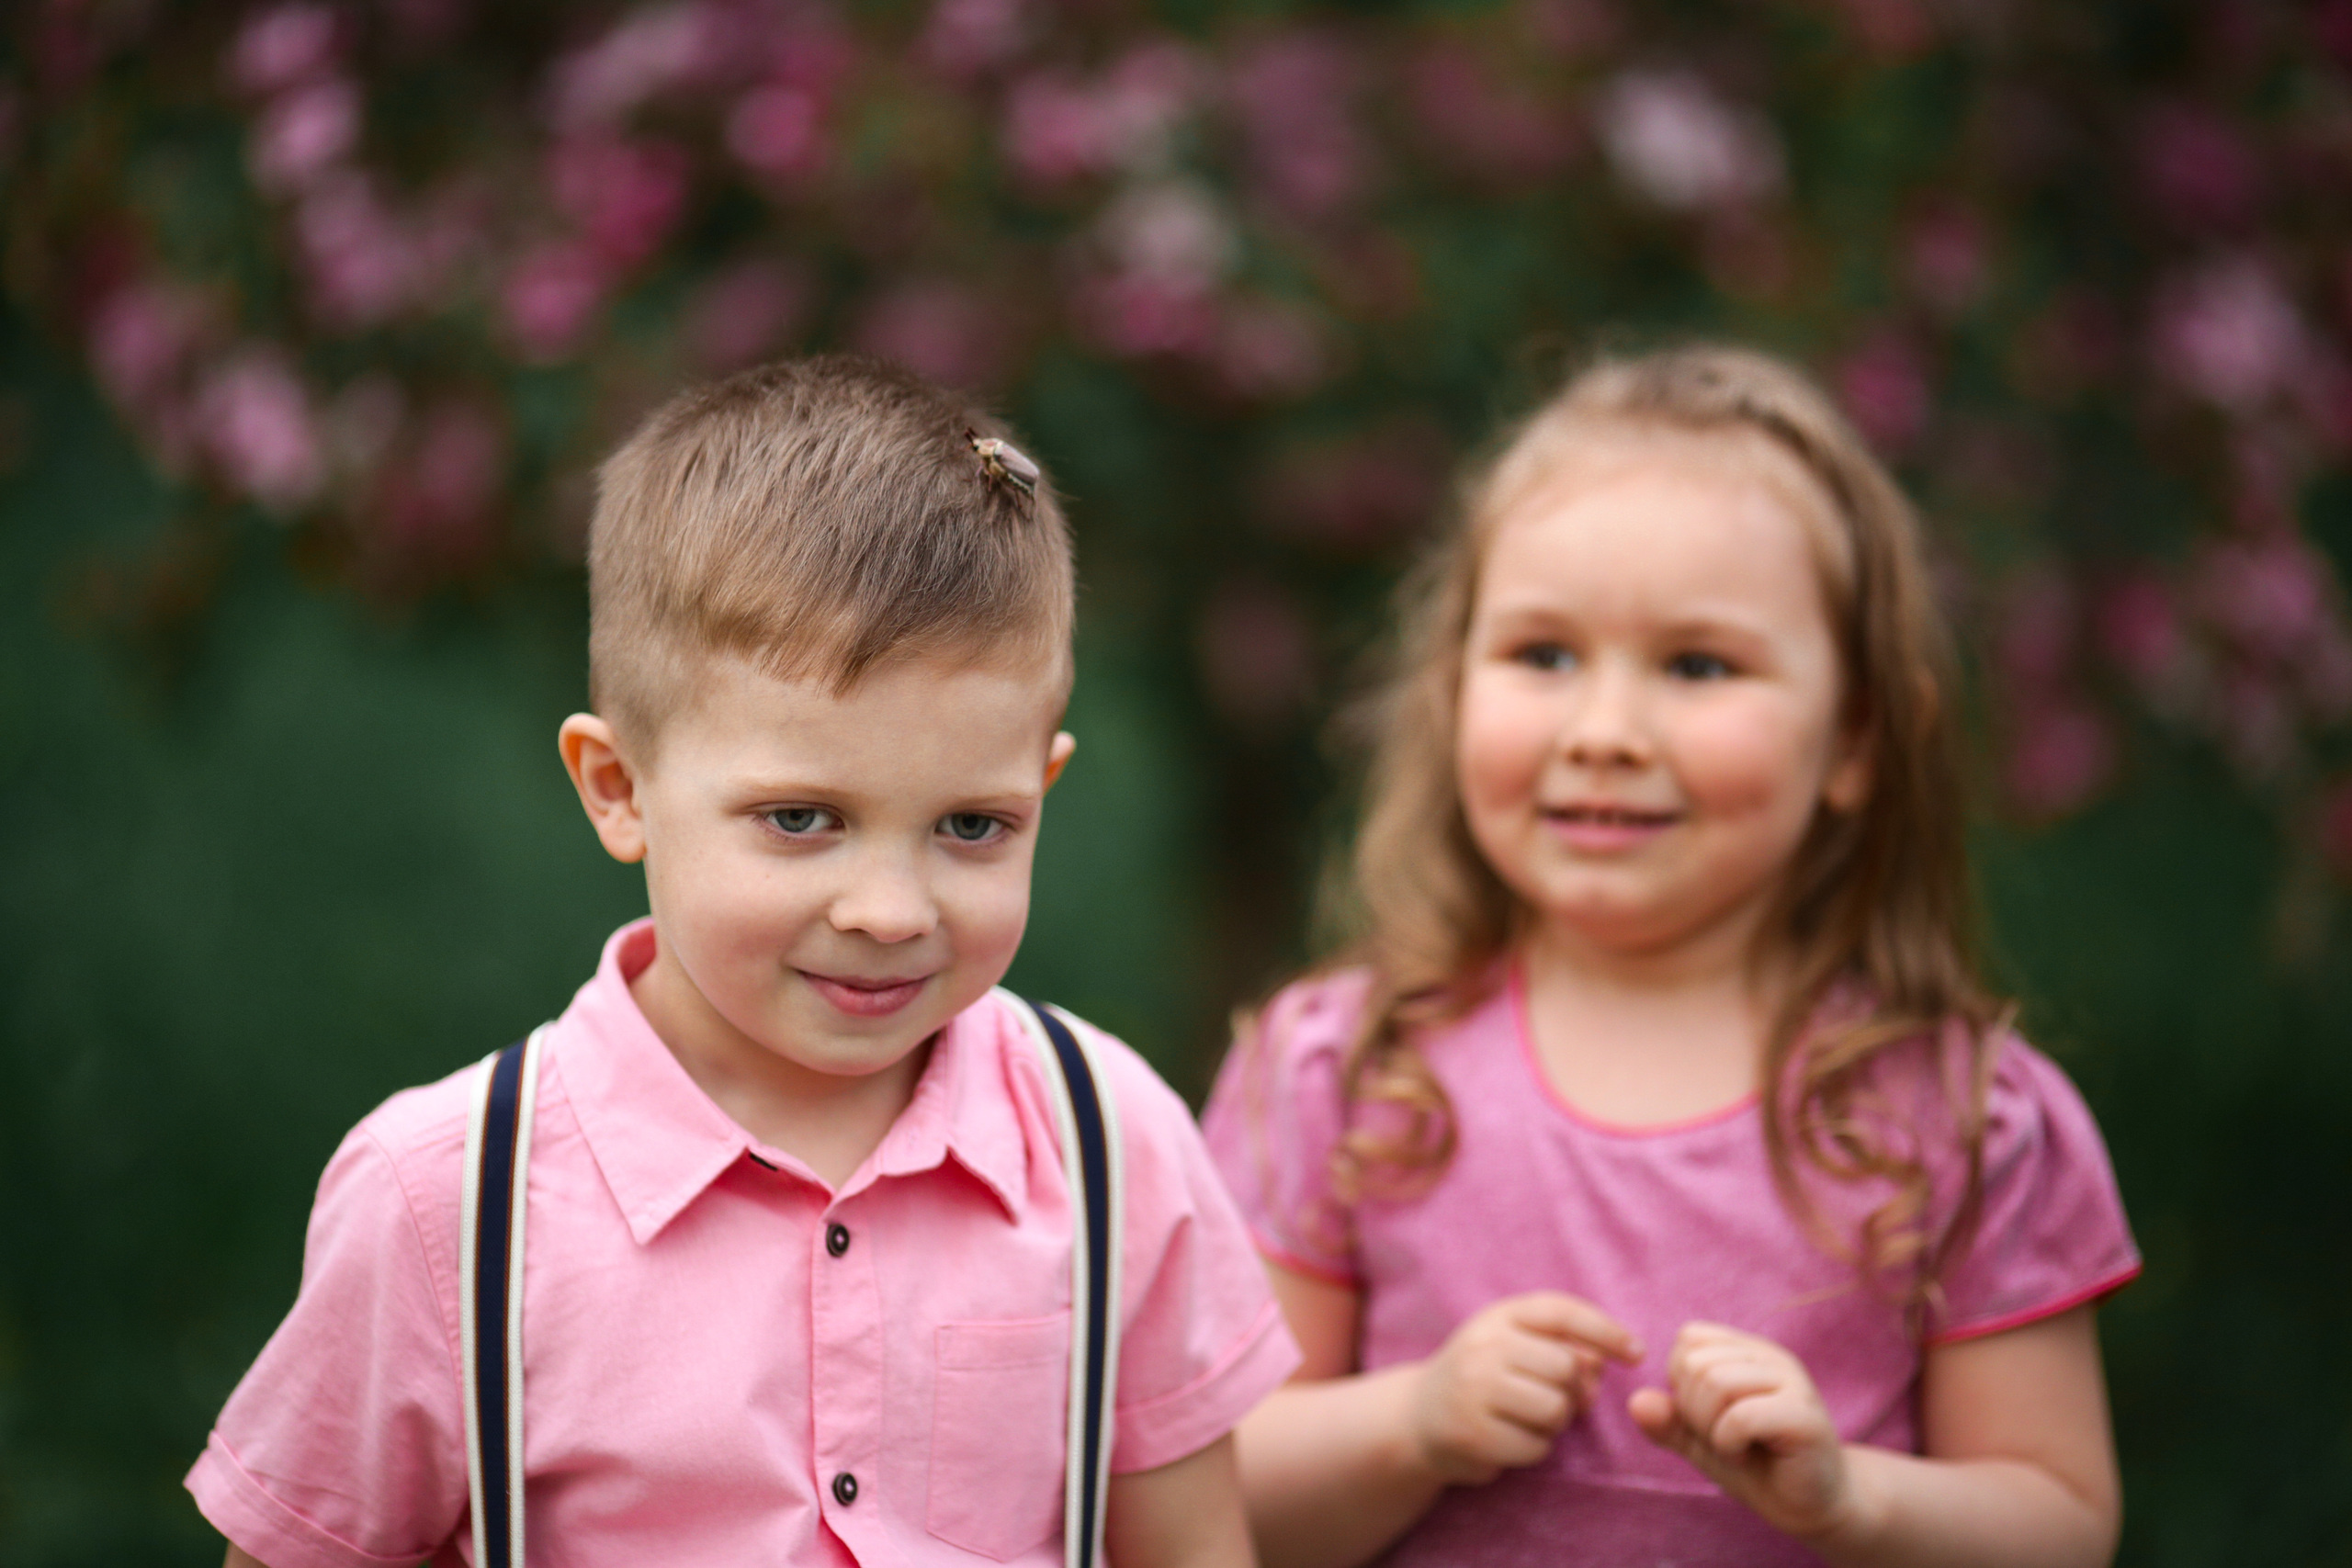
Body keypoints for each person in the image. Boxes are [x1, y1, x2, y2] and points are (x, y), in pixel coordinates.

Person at [189, 355, 1299, 1568]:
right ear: (620, 791)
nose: (888, 910)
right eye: (801, 819)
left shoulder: (1108, 1144)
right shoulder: (447, 1205)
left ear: (1044, 790)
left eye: (972, 827)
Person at [1202, 344, 2138, 1568]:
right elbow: (1201, 1507)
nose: (1604, 732)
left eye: (1698, 666)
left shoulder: (1966, 1121)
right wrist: (1413, 1428)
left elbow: (2060, 1526)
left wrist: (1846, 1500)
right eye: (1543, 654)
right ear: (1452, 687)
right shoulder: (1338, 1072)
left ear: (1857, 737)